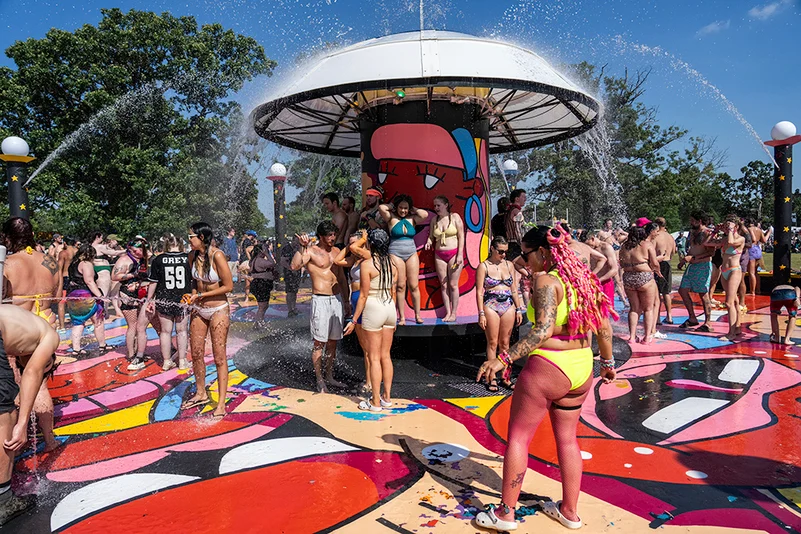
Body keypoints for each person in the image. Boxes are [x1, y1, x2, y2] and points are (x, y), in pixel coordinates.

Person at [474, 225, 617, 532]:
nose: (523, 262)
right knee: (567, 440)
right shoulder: (584, 281)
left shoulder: (546, 279)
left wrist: (503, 359)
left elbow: (543, 330)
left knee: (519, 437)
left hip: (549, 367)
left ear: (542, 252)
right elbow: (604, 327)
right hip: (581, 368)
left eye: (525, 255)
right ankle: (569, 512)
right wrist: (606, 362)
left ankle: (506, 513)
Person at [0, 305, 60, 524]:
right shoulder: (50, 337)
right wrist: (22, 424)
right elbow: (33, 372)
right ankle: (3, 499)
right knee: (4, 412)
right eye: (47, 365)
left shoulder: (26, 326)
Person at [181, 222, 234, 419]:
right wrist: (193, 295)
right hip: (199, 308)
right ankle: (201, 392)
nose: (189, 240)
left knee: (219, 357)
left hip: (218, 309)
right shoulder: (192, 256)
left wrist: (201, 297)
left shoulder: (217, 255)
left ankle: (221, 403)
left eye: (191, 237)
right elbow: (195, 282)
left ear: (201, 238)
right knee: (195, 353)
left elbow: (228, 286)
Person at [291, 221, 348, 393]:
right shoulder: (311, 251)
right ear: (321, 236)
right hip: (321, 299)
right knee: (319, 343)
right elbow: (295, 266)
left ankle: (329, 375)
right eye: (329, 235)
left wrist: (346, 301)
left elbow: (342, 278)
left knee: (333, 343)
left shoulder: (337, 251)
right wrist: (302, 247)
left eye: (334, 235)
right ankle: (319, 379)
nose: (332, 238)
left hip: (336, 299)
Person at [344, 229, 398, 411]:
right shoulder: (393, 263)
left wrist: (354, 319)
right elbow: (394, 291)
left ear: (370, 244)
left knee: (374, 358)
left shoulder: (368, 264)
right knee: (386, 356)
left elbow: (363, 296)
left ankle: (375, 402)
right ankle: (387, 398)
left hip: (374, 307)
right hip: (390, 307)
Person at [476, 236, 523, 392]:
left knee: (505, 344)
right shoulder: (484, 266)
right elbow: (479, 292)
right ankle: (492, 377)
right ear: (492, 249)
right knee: (492, 342)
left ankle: (506, 377)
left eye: (505, 252)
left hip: (508, 303)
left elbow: (514, 290)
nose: (503, 255)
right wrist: (481, 313)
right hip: (491, 304)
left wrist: (519, 308)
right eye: (500, 252)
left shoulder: (509, 265)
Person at [379, 195, 429, 325]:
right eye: (401, 208)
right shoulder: (391, 218)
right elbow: (381, 208)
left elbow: (424, 214)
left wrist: (413, 208)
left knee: (414, 285)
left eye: (406, 208)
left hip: (411, 253)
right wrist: (392, 206)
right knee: (400, 286)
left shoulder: (412, 218)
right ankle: (401, 317)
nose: (403, 211)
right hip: (395, 253)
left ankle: (417, 315)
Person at [144, 233, 190, 371]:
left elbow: (153, 282)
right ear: (181, 245)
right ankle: (182, 360)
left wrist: (149, 299)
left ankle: (166, 361)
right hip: (183, 299)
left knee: (165, 332)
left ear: (166, 245)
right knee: (182, 331)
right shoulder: (188, 259)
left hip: (164, 299)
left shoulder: (159, 259)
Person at [1, 217, 59, 325]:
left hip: (19, 327)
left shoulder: (5, 264)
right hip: (46, 324)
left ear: (7, 238)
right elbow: (57, 297)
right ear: (32, 235)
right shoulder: (52, 262)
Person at [335, 232, 372, 395]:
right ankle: (369, 378)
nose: (350, 246)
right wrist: (347, 248)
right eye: (348, 243)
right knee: (364, 346)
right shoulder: (354, 260)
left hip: (366, 299)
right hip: (355, 299)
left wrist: (362, 241)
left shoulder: (368, 257)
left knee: (370, 346)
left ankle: (371, 381)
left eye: (353, 243)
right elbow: (337, 261)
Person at [112, 238, 150, 370]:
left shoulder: (143, 258)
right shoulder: (124, 260)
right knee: (132, 326)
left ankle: (138, 352)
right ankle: (131, 354)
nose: (140, 252)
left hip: (140, 293)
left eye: (142, 249)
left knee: (141, 326)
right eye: (137, 250)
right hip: (128, 294)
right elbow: (115, 276)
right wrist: (132, 275)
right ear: (130, 250)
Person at [427, 196, 465, 323]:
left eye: (438, 205)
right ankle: (447, 312)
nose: (436, 208)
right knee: (443, 285)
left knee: (453, 284)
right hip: (439, 254)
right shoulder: (434, 220)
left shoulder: (455, 217)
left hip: (454, 253)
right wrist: (428, 241)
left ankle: (454, 313)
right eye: (435, 206)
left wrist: (460, 255)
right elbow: (432, 236)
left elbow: (461, 236)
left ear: (446, 205)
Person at [619, 226, 660, 343]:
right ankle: (647, 337)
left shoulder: (624, 247)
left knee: (634, 309)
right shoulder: (646, 245)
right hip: (644, 277)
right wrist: (657, 270)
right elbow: (655, 263)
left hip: (628, 277)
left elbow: (621, 263)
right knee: (648, 308)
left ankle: (632, 337)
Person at [66, 244, 108, 354]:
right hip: (85, 296)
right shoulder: (86, 264)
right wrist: (100, 296)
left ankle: (76, 349)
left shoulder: (73, 264)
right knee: (98, 321)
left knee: (78, 322)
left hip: (73, 296)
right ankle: (102, 345)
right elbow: (89, 282)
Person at [677, 213, 714, 332]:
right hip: (692, 265)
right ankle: (692, 317)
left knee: (703, 293)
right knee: (682, 290)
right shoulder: (693, 233)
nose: (691, 223)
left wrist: (694, 258)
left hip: (702, 265)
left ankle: (708, 322)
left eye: (693, 220)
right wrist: (684, 260)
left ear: (700, 221)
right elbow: (692, 249)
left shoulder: (708, 233)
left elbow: (710, 253)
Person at [716, 215, 746, 341]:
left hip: (734, 270)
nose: (727, 228)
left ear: (737, 226)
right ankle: (737, 327)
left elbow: (731, 243)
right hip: (724, 270)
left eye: (730, 225)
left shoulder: (741, 239)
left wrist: (732, 230)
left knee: (728, 303)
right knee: (734, 301)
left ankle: (731, 333)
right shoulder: (725, 238)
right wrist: (715, 231)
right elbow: (709, 243)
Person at [90, 232, 125, 317]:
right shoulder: (99, 247)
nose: (102, 239)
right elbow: (114, 253)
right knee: (104, 294)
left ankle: (102, 314)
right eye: (101, 237)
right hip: (102, 270)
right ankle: (102, 316)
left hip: (95, 269)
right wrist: (127, 250)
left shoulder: (89, 247)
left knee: (99, 293)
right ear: (97, 237)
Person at [583, 231, 619, 309]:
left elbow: (614, 269)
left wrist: (599, 280)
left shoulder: (606, 247)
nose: (588, 247)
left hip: (605, 282)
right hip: (592, 283)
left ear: (592, 239)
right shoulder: (589, 248)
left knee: (606, 311)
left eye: (588, 244)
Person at [653, 217, 677, 324]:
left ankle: (657, 317)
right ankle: (669, 316)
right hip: (667, 262)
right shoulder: (670, 237)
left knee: (656, 292)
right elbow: (674, 251)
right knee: (666, 292)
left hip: (658, 263)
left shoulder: (656, 236)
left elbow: (651, 251)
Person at [250, 241, 277, 328]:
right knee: (262, 306)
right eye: (265, 249)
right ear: (261, 251)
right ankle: (258, 324)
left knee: (263, 305)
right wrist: (267, 254)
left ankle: (259, 322)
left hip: (259, 284)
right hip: (261, 284)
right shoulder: (260, 261)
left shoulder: (253, 260)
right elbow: (273, 263)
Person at [56, 236, 78, 331]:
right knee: (75, 302)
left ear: (65, 243)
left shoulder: (63, 253)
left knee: (61, 303)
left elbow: (59, 269)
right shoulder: (77, 252)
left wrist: (58, 282)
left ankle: (62, 327)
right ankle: (78, 323)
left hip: (65, 278)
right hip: (76, 278)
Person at [280, 236, 301, 317]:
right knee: (289, 292)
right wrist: (291, 268)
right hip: (289, 273)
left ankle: (294, 307)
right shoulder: (286, 248)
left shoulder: (298, 248)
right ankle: (290, 310)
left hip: (297, 272)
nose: (297, 243)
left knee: (295, 291)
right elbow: (282, 261)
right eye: (296, 241)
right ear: (293, 240)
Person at [746, 218, 768, 296]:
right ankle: (758, 289)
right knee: (756, 272)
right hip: (758, 250)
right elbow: (764, 241)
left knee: (751, 273)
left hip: (751, 249)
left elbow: (752, 239)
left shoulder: (748, 229)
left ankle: (752, 291)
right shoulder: (759, 230)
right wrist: (769, 232)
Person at [505, 189, 526, 260]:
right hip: (516, 244)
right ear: (517, 199)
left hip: (510, 243)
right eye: (523, 197)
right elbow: (518, 229)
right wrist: (522, 245)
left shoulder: (509, 210)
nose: (525, 199)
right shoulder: (516, 211)